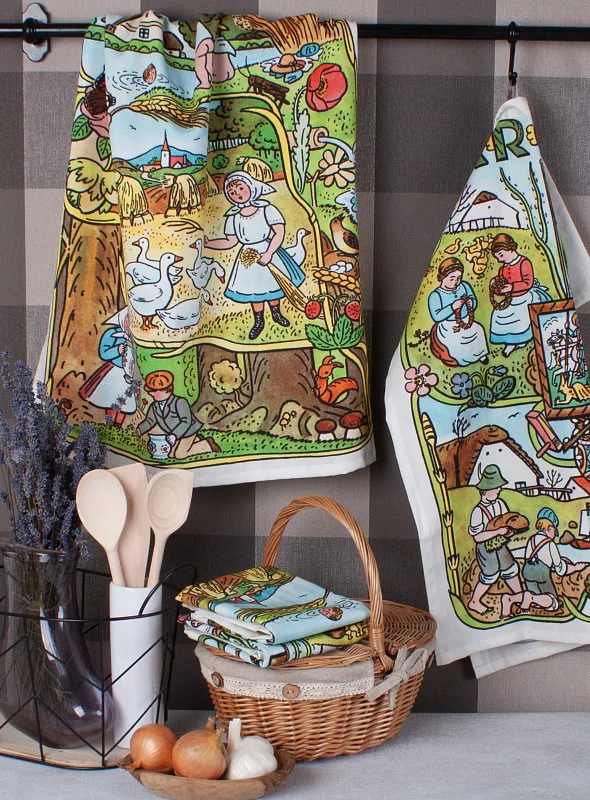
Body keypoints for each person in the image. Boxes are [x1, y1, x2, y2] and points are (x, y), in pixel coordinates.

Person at [204, 171, 305, 340]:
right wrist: (208, 244)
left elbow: (279, 232)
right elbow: (230, 241)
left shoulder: (267, 209)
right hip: (247, 258)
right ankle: (259, 321)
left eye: (240, 188)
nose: (237, 194)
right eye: (232, 192)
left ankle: (276, 313)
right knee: (254, 289)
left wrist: (269, 253)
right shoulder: (233, 217)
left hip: (267, 250)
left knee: (273, 284)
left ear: (251, 187)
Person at [501, 507, 586, 618]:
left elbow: (529, 558)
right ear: (549, 527)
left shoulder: (531, 540)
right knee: (553, 603)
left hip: (527, 572)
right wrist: (575, 568)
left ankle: (510, 599)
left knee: (535, 598)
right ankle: (530, 598)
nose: (555, 534)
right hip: (541, 573)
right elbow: (560, 569)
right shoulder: (550, 544)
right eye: (555, 530)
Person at [467, 465, 523, 614]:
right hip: (485, 549)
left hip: (501, 545)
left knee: (509, 568)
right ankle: (474, 601)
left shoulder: (500, 504)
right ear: (485, 490)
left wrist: (508, 532)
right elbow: (477, 537)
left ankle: (520, 597)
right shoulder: (478, 511)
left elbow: (507, 522)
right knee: (490, 574)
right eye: (496, 487)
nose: (499, 490)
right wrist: (497, 531)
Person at [489, 233, 551, 357]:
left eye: (501, 255)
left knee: (520, 316)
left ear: (510, 248)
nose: (500, 260)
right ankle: (511, 341)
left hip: (525, 296)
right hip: (511, 299)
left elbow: (528, 283)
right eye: (497, 257)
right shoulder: (502, 269)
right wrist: (495, 288)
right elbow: (502, 288)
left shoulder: (524, 262)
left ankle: (519, 340)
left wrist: (512, 287)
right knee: (498, 314)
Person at [136, 370, 219, 459]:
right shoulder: (154, 406)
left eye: (153, 391)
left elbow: (186, 421)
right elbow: (149, 421)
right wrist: (139, 430)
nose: (150, 393)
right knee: (170, 454)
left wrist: (174, 435)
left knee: (180, 455)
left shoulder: (180, 402)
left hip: (188, 431)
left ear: (165, 390)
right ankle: (198, 440)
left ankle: (208, 444)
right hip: (175, 434)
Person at [79, 308, 136, 426]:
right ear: (123, 319)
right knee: (111, 400)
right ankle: (109, 425)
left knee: (125, 402)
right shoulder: (112, 333)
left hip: (128, 374)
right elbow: (103, 353)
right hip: (114, 371)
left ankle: (118, 427)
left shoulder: (135, 337)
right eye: (128, 320)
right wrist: (117, 350)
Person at [428, 257, 489, 367]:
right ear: (442, 277)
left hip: (467, 320)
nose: (456, 282)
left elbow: (473, 300)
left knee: (478, 330)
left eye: (458, 278)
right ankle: (463, 360)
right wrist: (452, 307)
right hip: (448, 325)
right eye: (452, 279)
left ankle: (480, 354)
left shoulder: (464, 286)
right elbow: (436, 316)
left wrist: (471, 302)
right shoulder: (435, 295)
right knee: (458, 340)